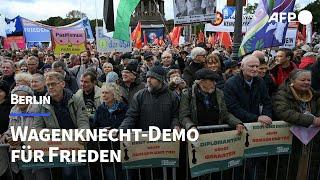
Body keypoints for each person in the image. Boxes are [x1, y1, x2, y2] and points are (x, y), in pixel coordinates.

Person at [223, 55, 273, 180]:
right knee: (239, 164)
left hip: (256, 129)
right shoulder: (231, 83)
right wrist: (257, 118)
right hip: (239, 127)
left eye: (257, 66)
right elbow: (233, 108)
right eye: (251, 66)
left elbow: (267, 101)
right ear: (242, 67)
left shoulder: (260, 81)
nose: (255, 69)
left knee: (256, 162)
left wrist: (266, 115)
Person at [34, 71, 90, 180]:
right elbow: (37, 127)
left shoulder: (76, 99)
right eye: (48, 85)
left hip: (77, 142)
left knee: (84, 174)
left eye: (53, 84)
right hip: (58, 145)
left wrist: (83, 133)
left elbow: (83, 120)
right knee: (68, 173)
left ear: (62, 84)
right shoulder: (41, 104)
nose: (50, 87)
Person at [272, 69, 320, 180]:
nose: (307, 82)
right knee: (288, 170)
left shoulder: (313, 94)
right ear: (292, 81)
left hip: (310, 141)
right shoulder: (282, 94)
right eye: (303, 80)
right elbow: (283, 112)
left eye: (309, 80)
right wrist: (312, 120)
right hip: (289, 139)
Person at [0, 85, 51, 180]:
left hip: (38, 151)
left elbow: (38, 129)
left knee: (41, 176)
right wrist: (6, 135)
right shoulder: (14, 109)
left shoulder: (38, 108)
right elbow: (11, 128)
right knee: (27, 176)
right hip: (21, 152)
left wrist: (21, 139)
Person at [180, 68, 245, 131]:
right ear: (201, 82)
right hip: (197, 135)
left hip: (215, 135)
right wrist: (191, 127)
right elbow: (184, 116)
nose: (215, 83)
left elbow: (225, 114)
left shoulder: (219, 93)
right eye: (211, 81)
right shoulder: (188, 94)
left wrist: (237, 123)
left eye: (215, 81)